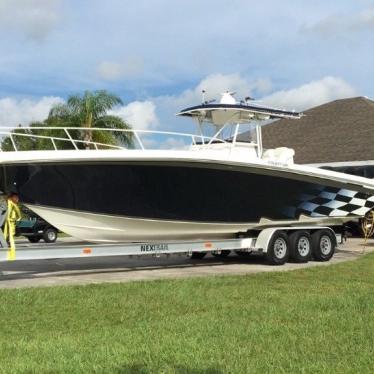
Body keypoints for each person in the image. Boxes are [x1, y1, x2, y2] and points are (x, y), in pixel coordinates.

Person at [3, 193, 22, 257]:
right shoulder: (10, 203)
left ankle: (8, 243)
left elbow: (18, 212)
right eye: (16, 198)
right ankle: (6, 243)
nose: (17, 200)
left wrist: (18, 219)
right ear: (12, 198)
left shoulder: (12, 204)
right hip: (8, 221)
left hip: (11, 221)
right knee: (8, 233)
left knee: (10, 233)